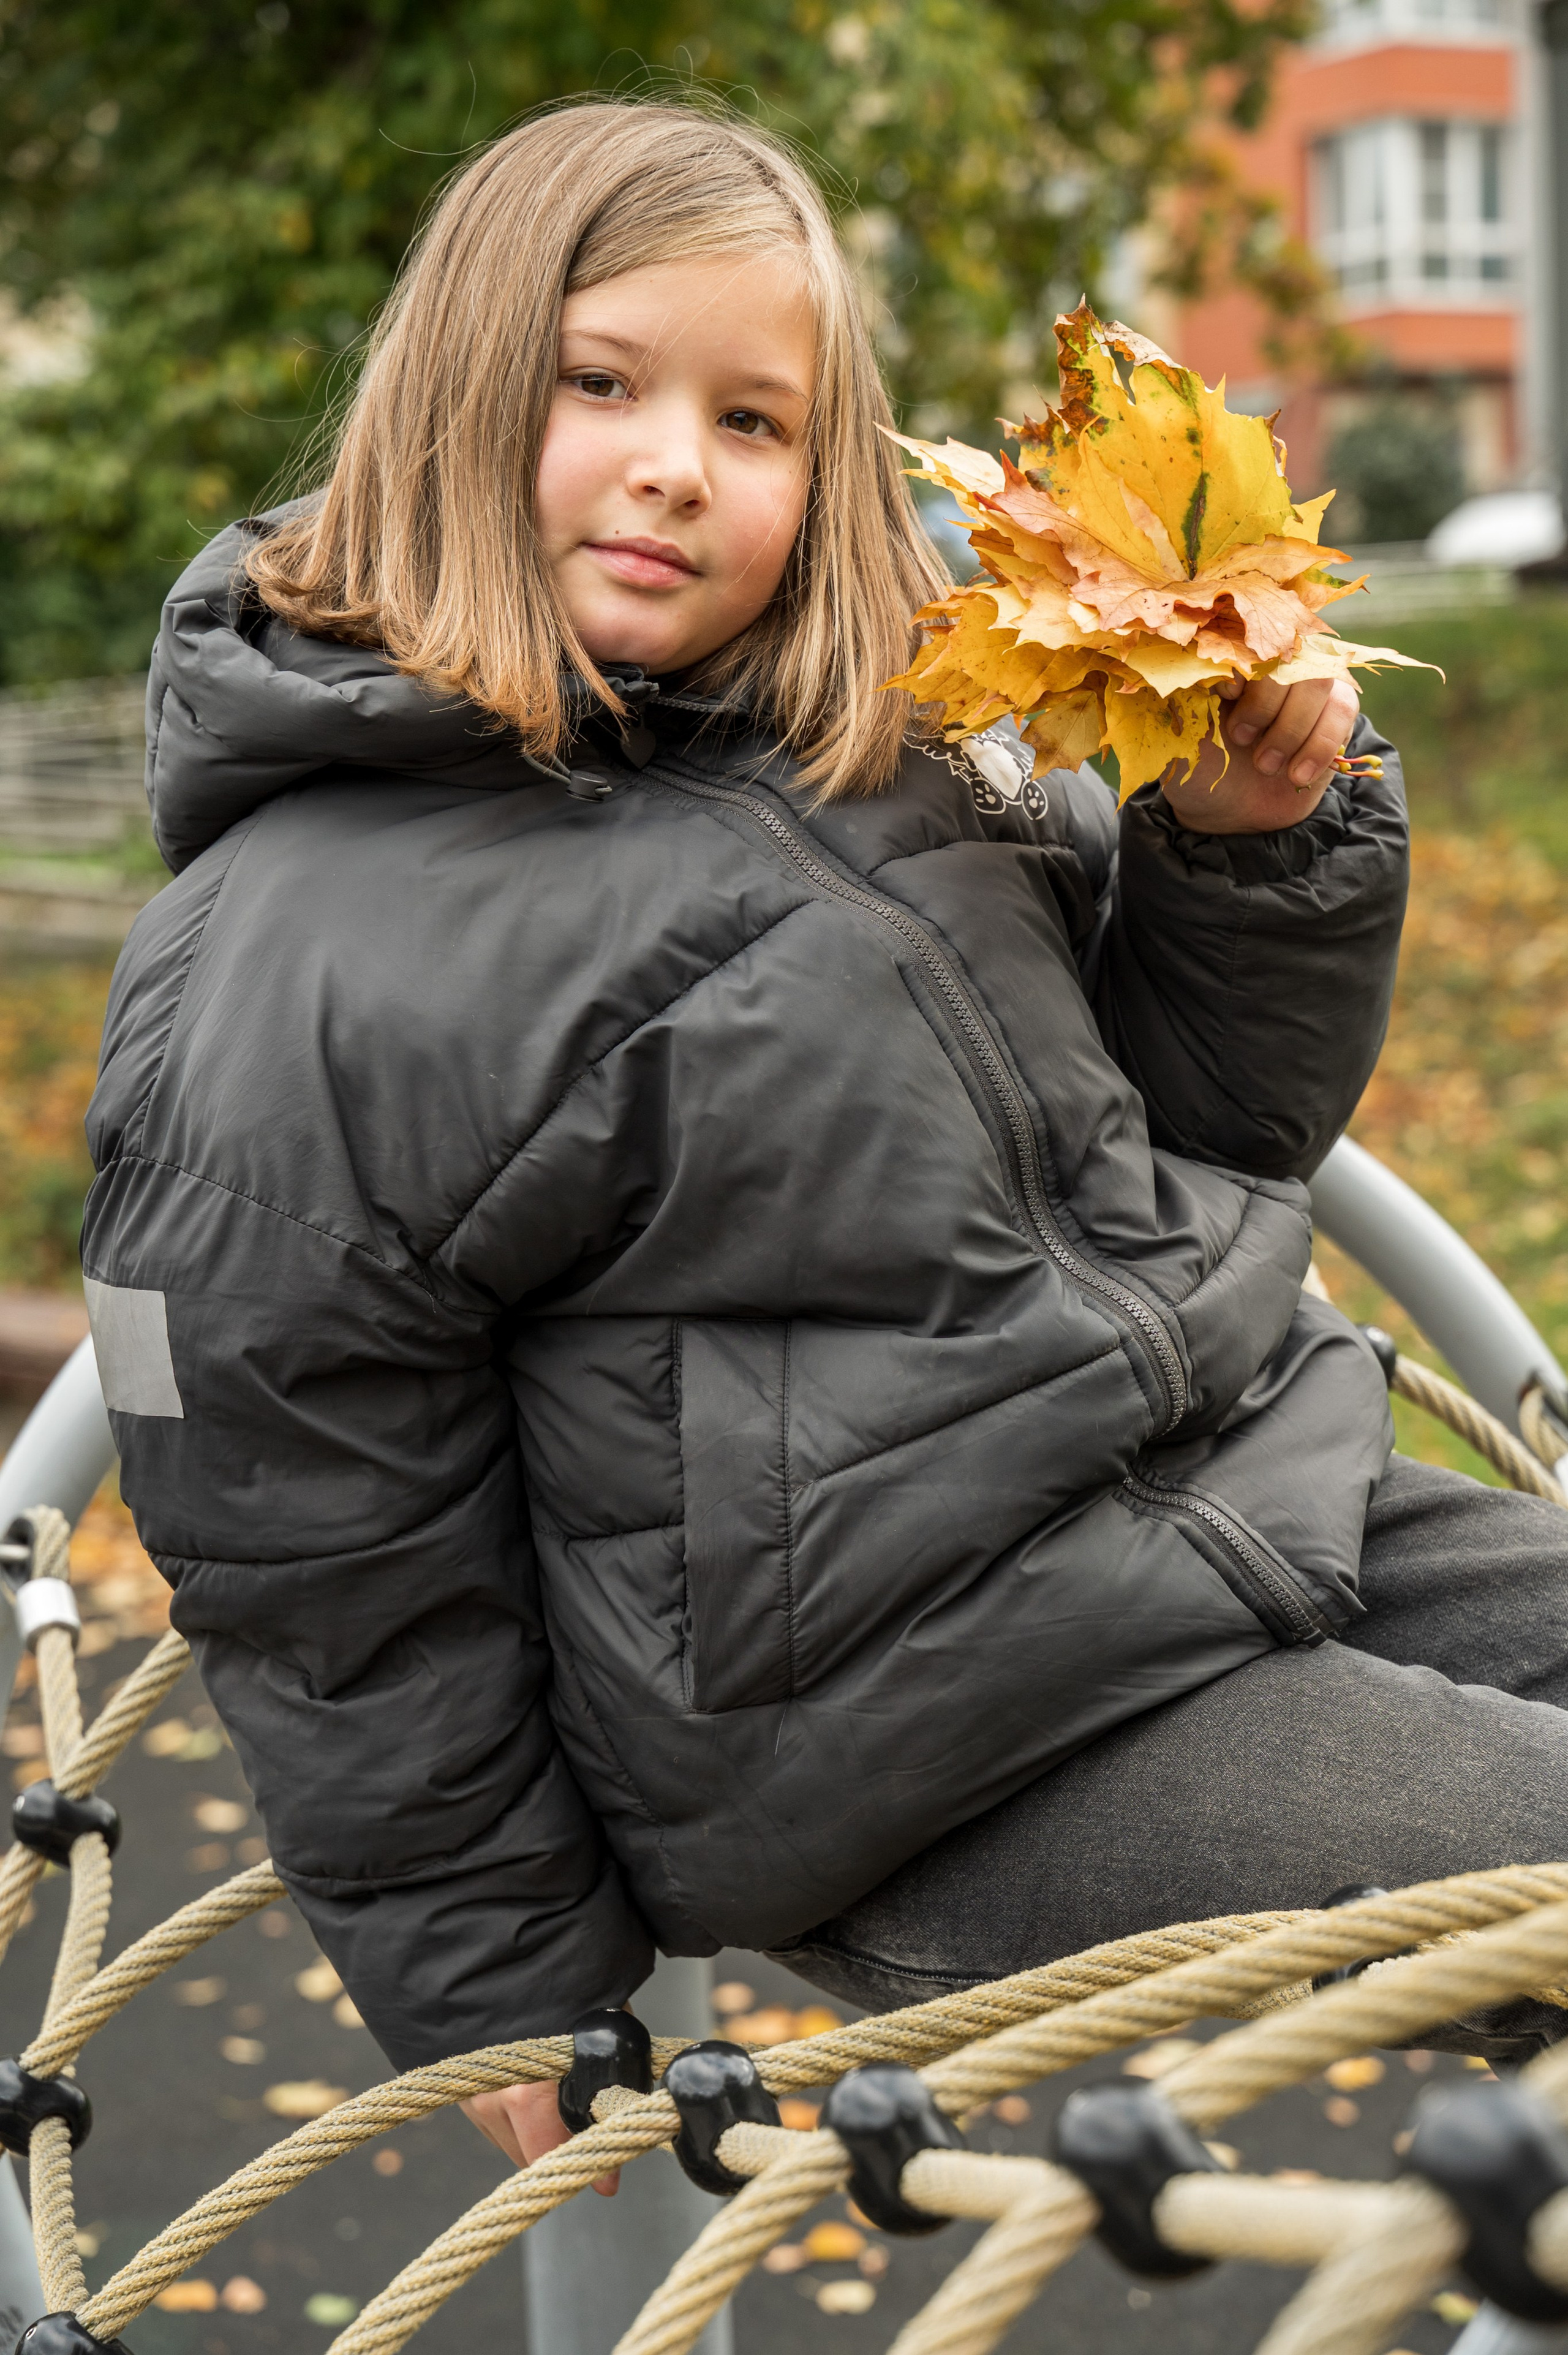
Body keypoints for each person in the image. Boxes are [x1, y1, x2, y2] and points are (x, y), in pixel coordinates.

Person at [83, 99, 1568, 2195]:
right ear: (453, 395)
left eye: (756, 420)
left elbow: (1208, 1127)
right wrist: (499, 1966)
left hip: (1252, 1490)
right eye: (599, 384)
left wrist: (1247, 854)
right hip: (926, 1728)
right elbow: (309, 1530)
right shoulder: (308, 948)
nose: (676, 460)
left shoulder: (904, 738)